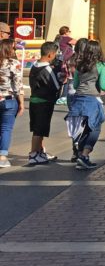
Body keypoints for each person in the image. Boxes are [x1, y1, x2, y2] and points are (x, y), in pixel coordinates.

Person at [70, 39, 105, 170]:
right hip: (92, 99)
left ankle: (81, 156)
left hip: (78, 99)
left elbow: (75, 85)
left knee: (83, 128)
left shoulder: (80, 65)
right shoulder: (101, 66)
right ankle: (84, 155)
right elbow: (103, 85)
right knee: (95, 127)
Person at [26, 41, 61, 166]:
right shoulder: (47, 69)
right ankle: (33, 154)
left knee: (37, 128)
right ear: (51, 55)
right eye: (55, 54)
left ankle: (40, 151)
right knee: (39, 130)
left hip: (34, 99)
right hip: (44, 101)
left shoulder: (34, 66)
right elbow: (56, 86)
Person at [0, 37, 23, 168]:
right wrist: (21, 103)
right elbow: (18, 84)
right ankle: (2, 157)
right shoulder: (14, 63)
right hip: (9, 99)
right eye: (14, 48)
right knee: (6, 128)